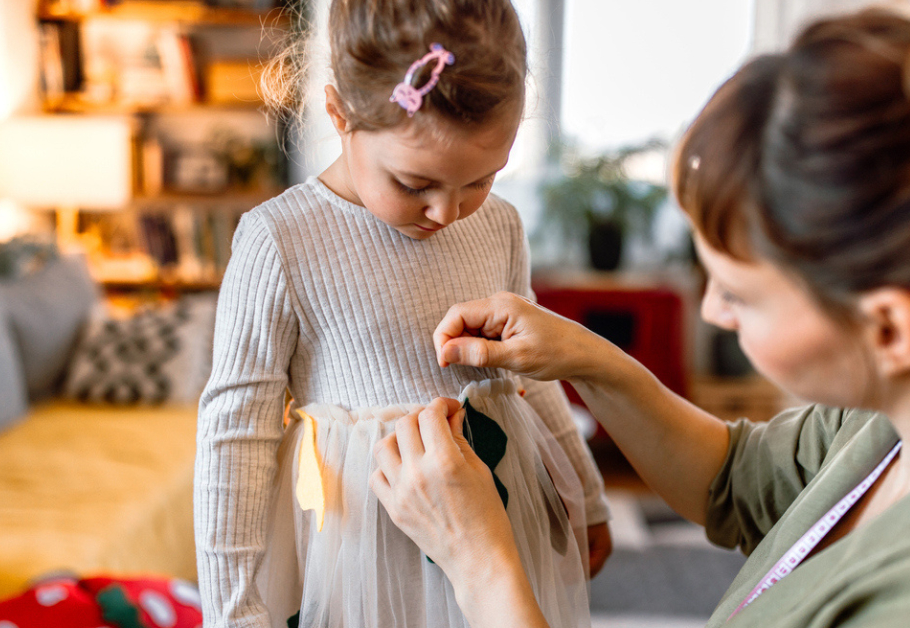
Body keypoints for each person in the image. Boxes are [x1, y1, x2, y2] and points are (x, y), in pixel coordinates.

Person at [368, 0, 910, 626]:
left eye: (741, 292)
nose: (716, 312)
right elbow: (737, 481)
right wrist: (585, 357)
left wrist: (481, 566)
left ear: (890, 328)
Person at [193, 1, 613, 626]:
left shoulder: (498, 226)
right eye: (416, 184)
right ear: (338, 115)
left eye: (481, 179)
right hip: (361, 548)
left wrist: (586, 492)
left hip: (493, 518)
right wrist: (232, 610)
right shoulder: (279, 240)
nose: (448, 212)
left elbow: (528, 373)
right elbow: (235, 434)